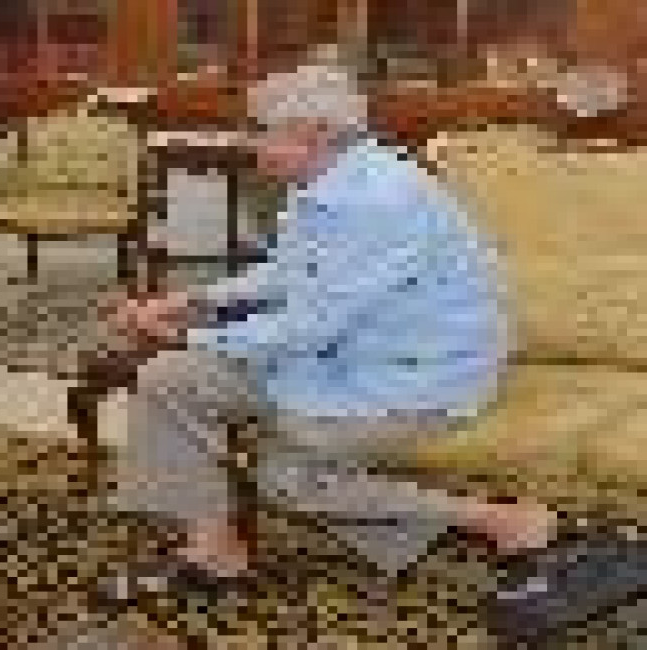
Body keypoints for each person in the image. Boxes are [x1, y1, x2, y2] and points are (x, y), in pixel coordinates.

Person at [97, 63, 622, 641]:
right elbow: (289, 271)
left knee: (285, 476)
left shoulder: (379, 201)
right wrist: (187, 301)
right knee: (170, 378)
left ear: (314, 135)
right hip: (346, 355)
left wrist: (187, 333)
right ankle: (214, 549)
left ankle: (501, 521)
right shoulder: (324, 182)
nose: (248, 142)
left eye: (259, 130)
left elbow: (313, 324)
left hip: (415, 379)